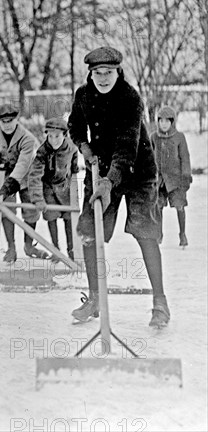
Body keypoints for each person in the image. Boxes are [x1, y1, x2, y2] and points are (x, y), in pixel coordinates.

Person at [68, 46, 170, 327]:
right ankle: (94, 298)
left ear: (118, 72)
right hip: (101, 169)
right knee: (89, 230)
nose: (103, 78)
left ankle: (160, 303)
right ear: (91, 74)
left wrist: (109, 183)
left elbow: (126, 148)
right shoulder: (83, 95)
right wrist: (84, 146)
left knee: (144, 232)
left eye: (108, 73)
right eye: (97, 73)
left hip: (137, 172)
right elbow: (74, 126)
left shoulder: (130, 98)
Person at [0, 103, 48, 263]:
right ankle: (11, 247)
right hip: (4, 177)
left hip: (26, 177)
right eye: (3, 121)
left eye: (10, 121)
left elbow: (23, 164)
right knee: (7, 209)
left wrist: (10, 184)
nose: (7, 125)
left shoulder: (27, 137)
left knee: (30, 209)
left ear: (16, 120)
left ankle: (29, 245)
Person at [28, 117, 78, 261]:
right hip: (48, 188)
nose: (53, 140)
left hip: (64, 187)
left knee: (69, 218)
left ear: (64, 135)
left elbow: (74, 158)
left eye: (57, 136)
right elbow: (34, 176)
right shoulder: (42, 151)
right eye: (50, 136)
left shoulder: (71, 147)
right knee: (52, 217)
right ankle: (55, 250)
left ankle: (71, 250)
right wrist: (38, 199)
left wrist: (73, 170)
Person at [150, 106, 192, 247]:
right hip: (160, 181)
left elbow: (185, 158)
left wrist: (186, 176)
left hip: (176, 180)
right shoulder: (154, 138)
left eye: (167, 121)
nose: (164, 124)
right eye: (161, 121)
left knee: (179, 206)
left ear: (172, 122)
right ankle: (158, 234)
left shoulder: (179, 137)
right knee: (158, 207)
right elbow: (149, 159)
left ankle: (182, 234)